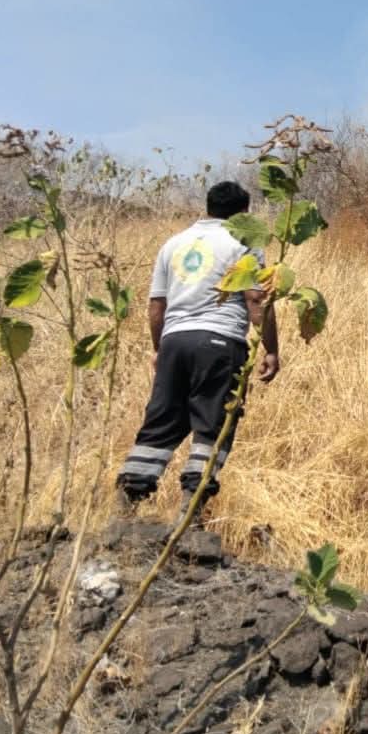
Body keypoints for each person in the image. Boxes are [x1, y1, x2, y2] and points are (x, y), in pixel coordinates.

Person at [114, 180, 279, 524]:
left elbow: (156, 307)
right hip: (220, 342)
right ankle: (190, 513)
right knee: (212, 425)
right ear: (243, 213)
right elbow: (255, 299)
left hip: (174, 342)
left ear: (208, 206)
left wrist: (159, 349)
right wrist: (271, 350)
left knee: (161, 423)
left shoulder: (173, 244)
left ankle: (125, 508)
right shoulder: (243, 243)